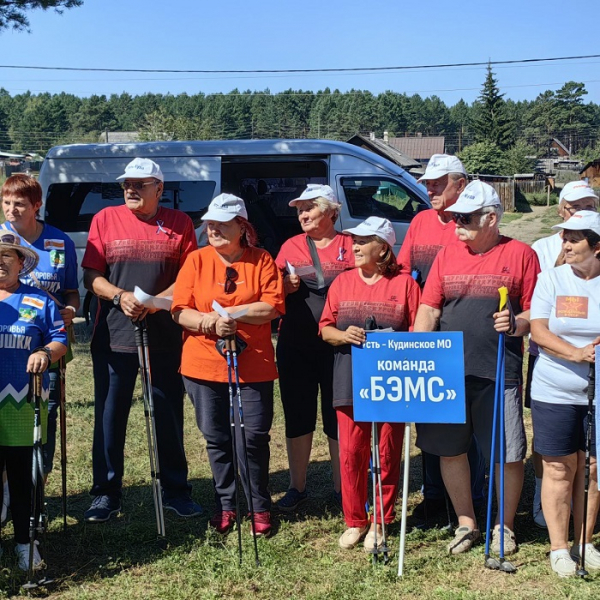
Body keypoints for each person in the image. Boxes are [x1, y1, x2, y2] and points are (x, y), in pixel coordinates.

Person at [415, 180, 540, 556]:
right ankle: (467, 522)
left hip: (498, 370)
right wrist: (420, 351)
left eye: (465, 218)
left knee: (506, 452)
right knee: (451, 450)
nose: (457, 224)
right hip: (446, 372)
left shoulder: (521, 254)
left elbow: (537, 313)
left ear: (491, 218)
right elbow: (429, 308)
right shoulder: (447, 254)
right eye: (455, 217)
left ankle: (504, 524)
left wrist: (516, 324)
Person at [82, 157, 201, 523]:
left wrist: (154, 301)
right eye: (126, 185)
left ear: (159, 189)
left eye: (140, 184)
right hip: (113, 334)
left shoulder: (180, 224)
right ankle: (106, 493)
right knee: (109, 414)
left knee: (167, 412)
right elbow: (91, 275)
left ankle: (176, 490)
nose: (131, 190)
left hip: (164, 334)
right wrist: (119, 296)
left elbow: (190, 276)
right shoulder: (104, 220)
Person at [172, 193, 285, 537]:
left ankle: (259, 506)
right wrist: (209, 323)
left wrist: (231, 314)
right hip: (203, 364)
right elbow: (179, 310)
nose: (213, 228)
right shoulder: (196, 260)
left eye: (223, 223)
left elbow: (273, 307)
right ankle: (226, 504)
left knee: (252, 437)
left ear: (242, 227)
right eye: (210, 223)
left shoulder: (262, 259)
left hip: (254, 365)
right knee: (216, 437)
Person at [319, 217, 421, 550]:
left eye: (364, 240)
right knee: (351, 452)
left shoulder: (406, 284)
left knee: (388, 452)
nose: (355, 245)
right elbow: (325, 329)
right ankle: (355, 520)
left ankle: (381, 519)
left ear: (384, 248)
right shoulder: (342, 283)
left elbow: (419, 331)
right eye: (354, 240)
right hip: (349, 377)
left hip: (392, 380)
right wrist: (342, 335)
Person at [398, 154, 486, 522]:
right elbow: (403, 271)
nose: (429, 187)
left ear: (460, 184)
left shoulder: (474, 223)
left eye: (438, 182)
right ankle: (434, 495)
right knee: (432, 419)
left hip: (466, 337)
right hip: (426, 332)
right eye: (427, 182)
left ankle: (476, 496)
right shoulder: (420, 221)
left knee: (472, 422)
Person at [530, 210, 600, 577]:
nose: (565, 244)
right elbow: (538, 331)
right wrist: (576, 353)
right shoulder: (552, 279)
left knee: (592, 469)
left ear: (598, 246)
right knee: (559, 466)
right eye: (564, 237)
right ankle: (559, 548)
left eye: (575, 238)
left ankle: (584, 541)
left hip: (597, 392)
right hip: (554, 389)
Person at [275, 184, 353, 511]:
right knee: (297, 416)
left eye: (310, 208)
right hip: (296, 343)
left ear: (331, 212)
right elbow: (270, 293)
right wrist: (285, 285)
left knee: (339, 416)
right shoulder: (290, 246)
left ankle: (341, 490)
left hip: (338, 345)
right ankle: (297, 487)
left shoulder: (351, 244)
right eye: (299, 209)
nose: (303, 214)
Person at [0, 174, 79, 482]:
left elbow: (71, 290)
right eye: (6, 203)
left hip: (48, 340)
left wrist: (70, 310)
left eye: (19, 204)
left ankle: (36, 485)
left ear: (36, 206)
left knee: (47, 409)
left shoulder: (60, 241)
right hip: (8, 340)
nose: (11, 210)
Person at [0, 232, 67, 570]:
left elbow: (59, 339)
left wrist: (44, 352)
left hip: (23, 403)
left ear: (21, 262)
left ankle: (25, 542)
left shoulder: (40, 301)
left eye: (5, 256)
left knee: (23, 474)